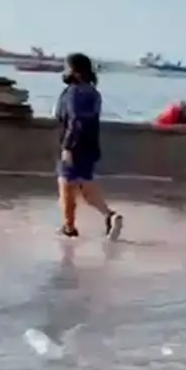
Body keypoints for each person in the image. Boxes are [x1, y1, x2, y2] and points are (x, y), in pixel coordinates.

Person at [56, 52, 123, 239]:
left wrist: (68, 147)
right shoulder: (94, 93)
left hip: (74, 146)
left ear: (75, 71)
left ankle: (69, 228)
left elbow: (75, 120)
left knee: (66, 187)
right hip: (90, 147)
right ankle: (110, 216)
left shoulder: (73, 93)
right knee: (87, 190)